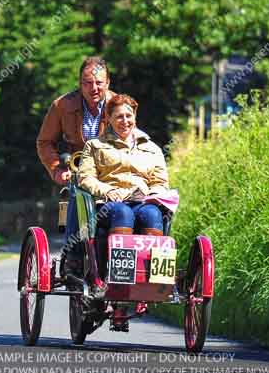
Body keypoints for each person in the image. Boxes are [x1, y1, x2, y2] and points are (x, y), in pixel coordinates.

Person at [36, 57, 116, 266]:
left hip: (112, 169)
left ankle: (115, 254)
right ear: (80, 84)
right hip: (77, 169)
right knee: (78, 192)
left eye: (99, 82)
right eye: (87, 83)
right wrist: (56, 170)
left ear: (108, 83)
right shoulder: (61, 105)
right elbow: (45, 142)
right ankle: (73, 256)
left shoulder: (119, 105)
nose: (94, 88)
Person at [78, 94, 169, 236]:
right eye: (119, 116)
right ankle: (116, 258)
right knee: (123, 212)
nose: (125, 121)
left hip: (142, 203)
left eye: (129, 116)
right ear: (109, 118)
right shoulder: (94, 145)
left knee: (152, 214)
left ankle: (149, 258)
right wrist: (108, 191)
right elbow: (85, 177)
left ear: (135, 117)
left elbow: (160, 182)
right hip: (109, 205)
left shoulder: (153, 149)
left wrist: (153, 194)